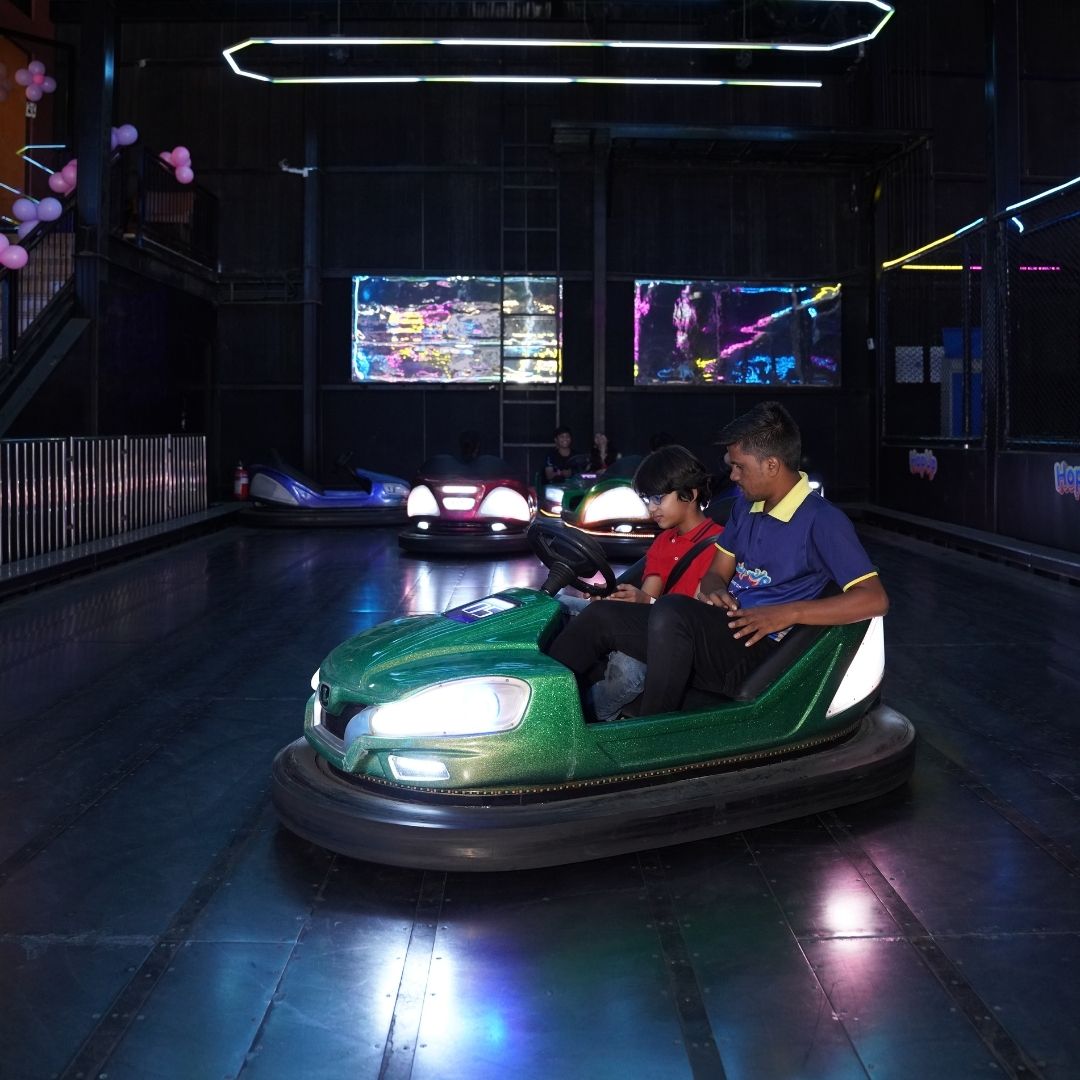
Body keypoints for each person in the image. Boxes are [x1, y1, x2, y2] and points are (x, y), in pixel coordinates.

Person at [547, 401, 888, 717]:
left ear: (772, 465)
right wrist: (714, 588)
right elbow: (718, 571)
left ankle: (651, 736)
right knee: (602, 614)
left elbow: (874, 599)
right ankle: (540, 710)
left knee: (672, 610)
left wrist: (787, 613)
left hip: (760, 648)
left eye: (739, 467)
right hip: (722, 630)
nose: (734, 476)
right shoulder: (746, 505)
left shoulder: (822, 521)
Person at [556, 444, 724, 721]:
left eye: (658, 498)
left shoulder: (718, 544)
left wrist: (648, 603)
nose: (651, 508)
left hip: (678, 640)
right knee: (557, 605)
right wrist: (626, 600)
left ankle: (585, 714)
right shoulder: (663, 540)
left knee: (629, 671)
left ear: (690, 494)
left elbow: (696, 615)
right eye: (647, 499)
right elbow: (649, 594)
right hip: (648, 623)